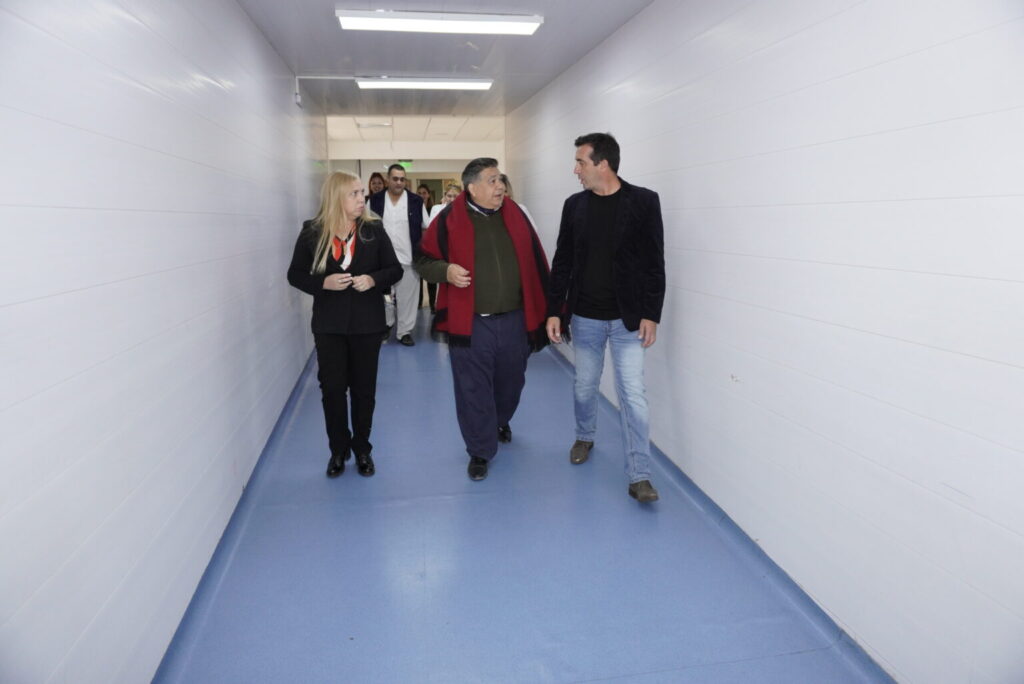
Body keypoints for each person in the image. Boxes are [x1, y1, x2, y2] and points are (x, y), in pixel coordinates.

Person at [545, 133, 666, 503]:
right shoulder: (574, 206)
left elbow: (654, 262)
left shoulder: (644, 202)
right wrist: (555, 310)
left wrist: (651, 314)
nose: (576, 170)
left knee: (633, 395)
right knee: (584, 386)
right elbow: (562, 261)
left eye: (581, 162)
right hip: (585, 316)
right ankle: (585, 435)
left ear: (603, 164)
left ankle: (640, 475)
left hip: (629, 319)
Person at [416, 158, 550, 481]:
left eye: (500, 179)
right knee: (472, 387)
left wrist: (549, 310)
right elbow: (422, 260)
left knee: (512, 382)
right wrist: (445, 271)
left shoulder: (516, 214)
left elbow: (536, 259)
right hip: (471, 322)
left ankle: (499, 420)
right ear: (472, 188)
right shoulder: (449, 219)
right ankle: (479, 449)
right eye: (492, 181)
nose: (500, 186)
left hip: (515, 319)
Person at [287, 171, 403, 479]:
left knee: (364, 390)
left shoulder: (373, 230)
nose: (362, 198)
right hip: (330, 326)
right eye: (354, 193)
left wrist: (373, 279)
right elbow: (295, 274)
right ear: (336, 197)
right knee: (333, 390)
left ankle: (362, 448)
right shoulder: (312, 232)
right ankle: (338, 449)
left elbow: (395, 270)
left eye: (362, 192)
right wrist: (322, 283)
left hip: (367, 325)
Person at [369, 164, 429, 346]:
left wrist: (423, 253)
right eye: (395, 179)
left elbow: (425, 227)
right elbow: (365, 226)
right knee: (384, 296)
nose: (399, 182)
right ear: (388, 179)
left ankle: (404, 332)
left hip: (408, 258)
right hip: (382, 261)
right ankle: (386, 325)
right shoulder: (375, 200)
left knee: (408, 297)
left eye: (402, 179)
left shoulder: (416, 201)